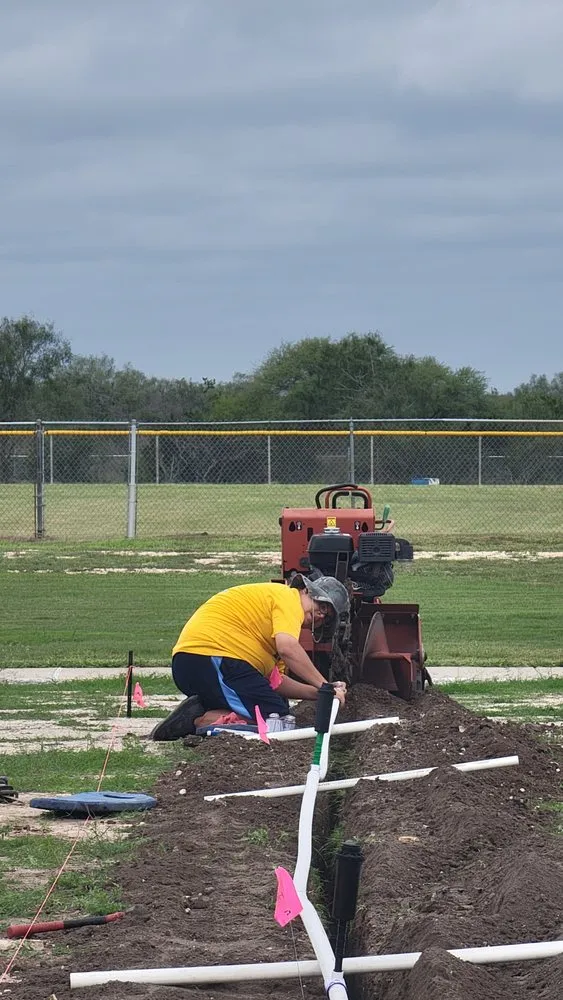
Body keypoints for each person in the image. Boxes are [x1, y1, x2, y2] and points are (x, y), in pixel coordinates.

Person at [151, 574, 349, 741]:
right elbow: (288, 648)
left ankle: (206, 710)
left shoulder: (275, 623)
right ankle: (197, 721)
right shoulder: (289, 598)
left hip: (205, 661)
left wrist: (318, 693)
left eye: (328, 616)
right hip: (211, 657)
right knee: (274, 721)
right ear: (305, 591)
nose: (322, 615)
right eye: (321, 605)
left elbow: (276, 683)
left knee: (278, 709)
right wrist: (326, 687)